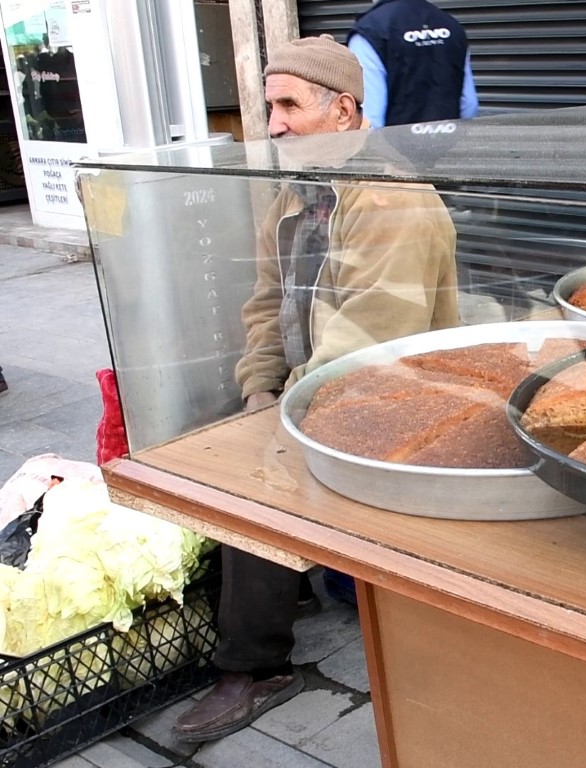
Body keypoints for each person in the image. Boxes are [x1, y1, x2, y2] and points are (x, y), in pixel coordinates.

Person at [173, 35, 460, 742]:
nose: (271, 125)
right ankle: (287, 578)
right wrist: (255, 389)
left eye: (288, 106)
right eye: (268, 107)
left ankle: (255, 664)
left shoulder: (389, 200)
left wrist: (275, 421)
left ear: (343, 112)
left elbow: (361, 348)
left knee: (254, 474)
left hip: (394, 398)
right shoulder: (299, 193)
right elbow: (268, 304)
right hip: (318, 387)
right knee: (205, 437)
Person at [347, 0, 478, 127]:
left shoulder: (370, 31)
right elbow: (469, 105)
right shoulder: (451, 25)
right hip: (447, 142)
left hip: (392, 146)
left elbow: (370, 119)